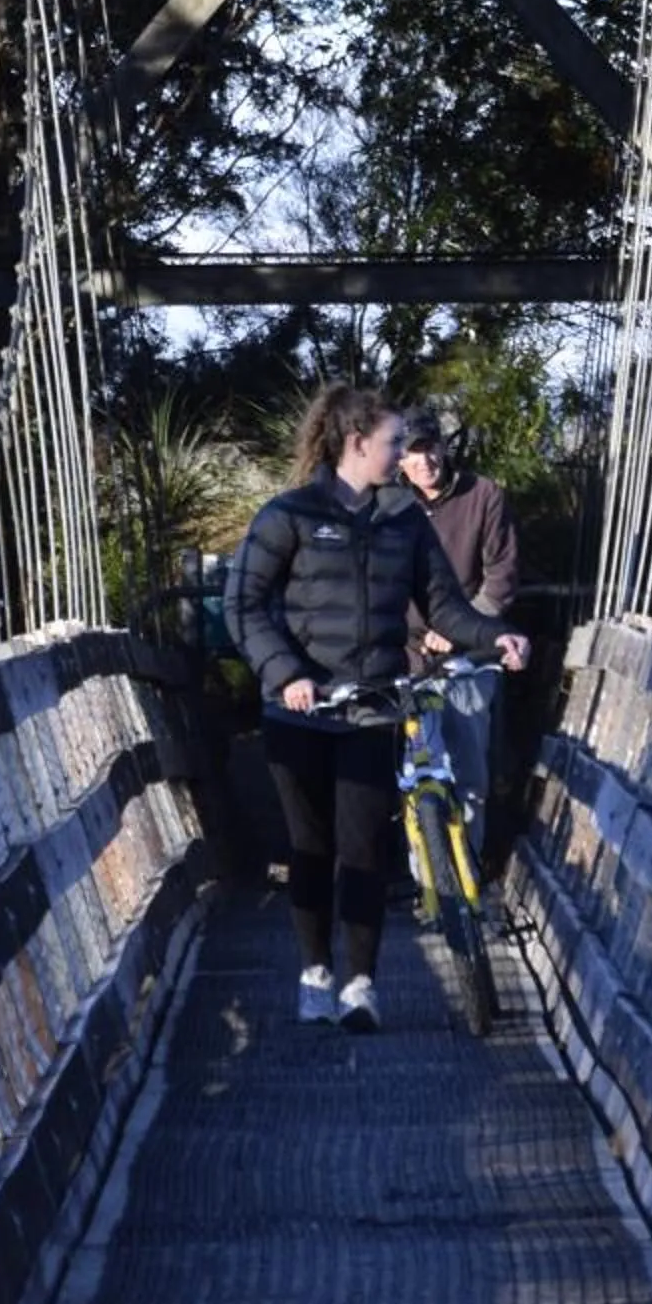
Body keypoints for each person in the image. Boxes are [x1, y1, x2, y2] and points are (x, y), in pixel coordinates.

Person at [225, 385, 529, 1031]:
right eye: (394, 443)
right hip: (300, 711)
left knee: (362, 847)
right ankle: (314, 969)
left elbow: (444, 605)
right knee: (312, 847)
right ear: (357, 444)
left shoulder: (404, 523)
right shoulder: (289, 516)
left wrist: (492, 636)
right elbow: (243, 605)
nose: (402, 455)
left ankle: (360, 985)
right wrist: (284, 675)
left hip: (370, 707)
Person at [396, 410, 519, 856]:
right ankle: (429, 886)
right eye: (411, 452)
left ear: (443, 447)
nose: (423, 460)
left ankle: (468, 890)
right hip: (408, 658)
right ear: (398, 460)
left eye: (428, 447)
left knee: (470, 779)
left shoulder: (483, 495)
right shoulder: (389, 506)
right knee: (418, 777)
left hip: (469, 657)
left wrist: (464, 630)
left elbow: (500, 578)